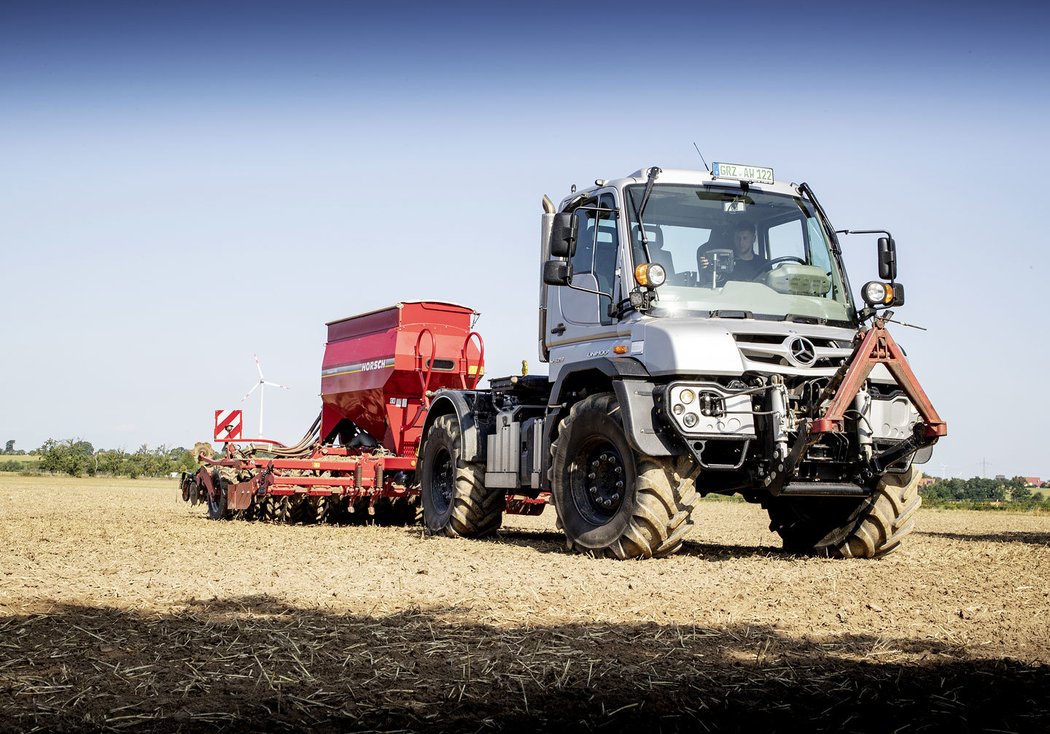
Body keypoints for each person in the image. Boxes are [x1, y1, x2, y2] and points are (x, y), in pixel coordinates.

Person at [697, 220, 768, 283]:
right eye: (738, 238)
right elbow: (716, 280)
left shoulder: (764, 264)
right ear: (733, 238)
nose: (741, 242)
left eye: (745, 238)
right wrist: (709, 269)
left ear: (753, 239)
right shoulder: (724, 261)